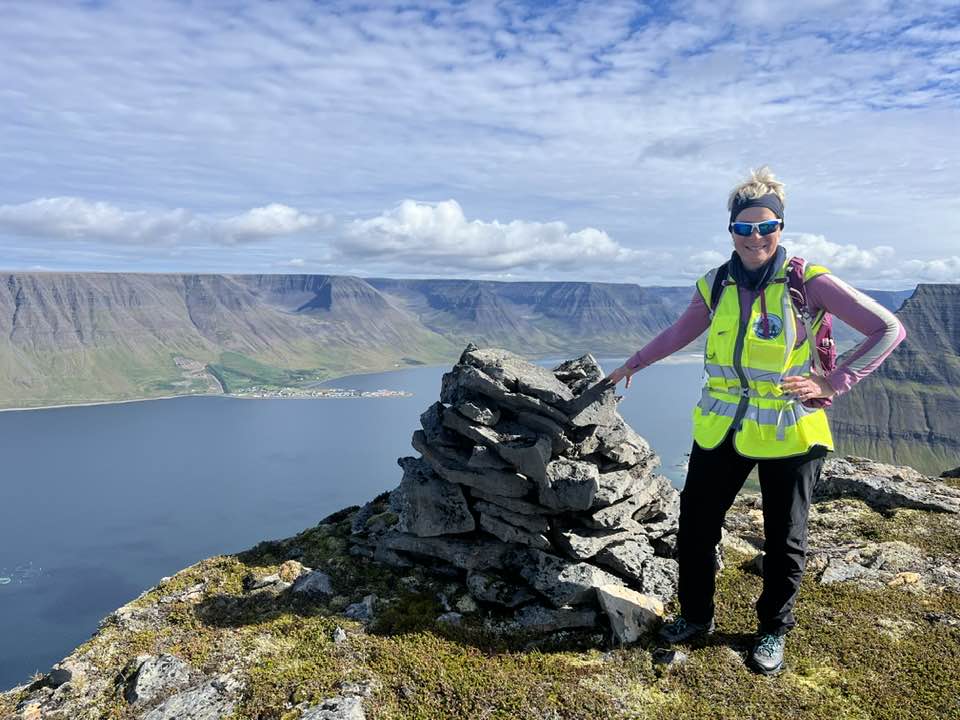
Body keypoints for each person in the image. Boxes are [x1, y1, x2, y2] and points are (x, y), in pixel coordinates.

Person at [604, 166, 906, 675]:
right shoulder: (717, 282)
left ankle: (771, 631)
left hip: (790, 429)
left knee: (785, 538)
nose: (755, 237)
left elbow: (887, 328)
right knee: (697, 527)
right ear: (731, 232)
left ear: (781, 227)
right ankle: (696, 617)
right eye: (743, 229)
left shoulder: (806, 281)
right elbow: (679, 333)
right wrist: (633, 364)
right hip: (722, 427)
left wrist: (835, 383)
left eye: (766, 226)